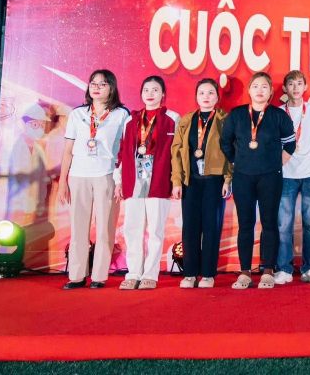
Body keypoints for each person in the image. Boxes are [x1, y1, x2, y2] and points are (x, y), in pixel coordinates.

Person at [220, 71, 296, 289]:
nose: (260, 90)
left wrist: (276, 163)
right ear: (249, 90)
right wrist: (237, 161)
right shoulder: (236, 115)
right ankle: (245, 272)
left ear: (271, 91)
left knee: (269, 222)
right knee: (246, 224)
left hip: (270, 177)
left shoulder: (279, 116)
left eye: (264, 87)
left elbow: (290, 143)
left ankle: (268, 271)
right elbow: (225, 142)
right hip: (243, 177)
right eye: (255, 86)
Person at [59, 69, 131, 290]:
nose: (97, 87)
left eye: (103, 84)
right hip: (78, 175)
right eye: (93, 83)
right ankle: (76, 275)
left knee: (105, 228)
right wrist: (62, 182)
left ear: (112, 88)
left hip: (106, 175)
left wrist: (121, 180)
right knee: (78, 228)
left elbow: (126, 150)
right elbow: (68, 151)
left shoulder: (122, 114)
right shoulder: (77, 114)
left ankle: (99, 275)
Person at [115, 76, 177, 290]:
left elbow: (177, 154)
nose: (150, 94)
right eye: (146, 90)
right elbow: (122, 152)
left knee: (156, 230)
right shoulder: (130, 121)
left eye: (155, 90)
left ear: (163, 94)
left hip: (159, 180)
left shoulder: (172, 118)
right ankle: (133, 273)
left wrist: (176, 181)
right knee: (132, 228)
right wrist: (118, 180)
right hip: (134, 180)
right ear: (141, 94)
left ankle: (150, 274)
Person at [171, 78, 231, 288]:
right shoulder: (186, 120)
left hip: (215, 181)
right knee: (190, 228)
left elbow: (231, 151)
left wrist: (228, 179)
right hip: (191, 181)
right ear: (196, 97)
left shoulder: (224, 120)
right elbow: (176, 152)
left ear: (217, 97)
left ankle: (207, 274)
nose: (206, 97)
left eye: (210, 93)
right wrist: (177, 181)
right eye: (202, 93)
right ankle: (189, 273)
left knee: (211, 227)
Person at [274, 70, 310, 285]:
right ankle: (284, 268)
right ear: (284, 88)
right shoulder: (277, 113)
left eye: (299, 84)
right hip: (285, 174)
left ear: (306, 87)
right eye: (291, 84)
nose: (295, 88)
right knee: (283, 224)